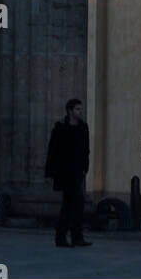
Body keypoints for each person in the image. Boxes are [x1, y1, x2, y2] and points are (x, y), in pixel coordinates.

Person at [45, 98, 92, 248]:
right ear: (70, 111)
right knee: (70, 204)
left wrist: (85, 167)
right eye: (77, 109)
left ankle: (73, 236)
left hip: (78, 171)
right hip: (64, 172)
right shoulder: (60, 128)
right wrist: (51, 173)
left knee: (76, 204)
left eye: (81, 109)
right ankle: (64, 236)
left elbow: (86, 149)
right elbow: (53, 151)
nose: (80, 111)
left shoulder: (83, 127)